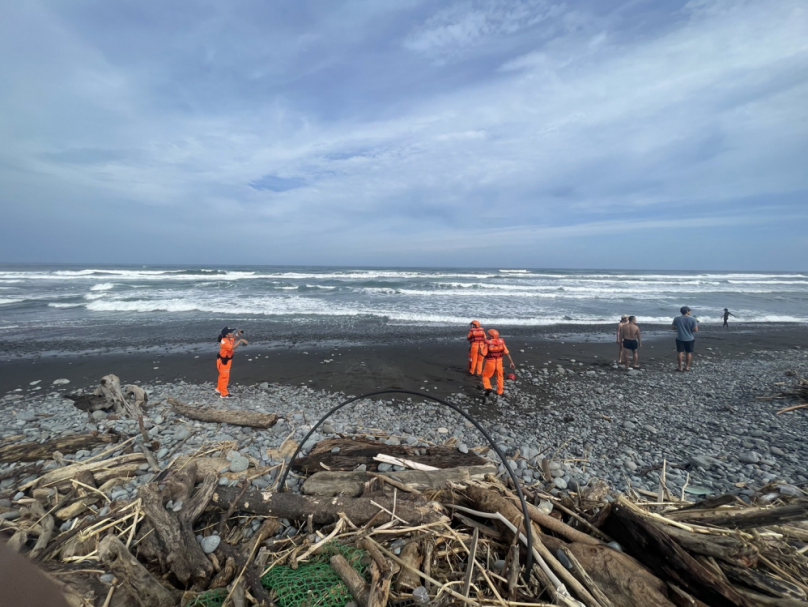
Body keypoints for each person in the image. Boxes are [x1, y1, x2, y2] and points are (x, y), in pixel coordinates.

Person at [481, 329, 516, 397]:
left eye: (488, 334)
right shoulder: (501, 343)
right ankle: (500, 391)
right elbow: (507, 353)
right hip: (499, 363)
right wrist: (511, 362)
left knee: (485, 376)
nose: (487, 335)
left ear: (491, 336)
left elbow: (483, 354)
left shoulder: (488, 344)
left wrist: (481, 349)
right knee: (500, 377)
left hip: (490, 363)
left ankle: (488, 387)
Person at [216, 327, 248, 398]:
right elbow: (232, 348)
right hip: (224, 361)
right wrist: (241, 341)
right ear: (226, 335)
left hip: (226, 360)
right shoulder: (224, 342)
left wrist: (238, 334)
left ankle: (219, 388)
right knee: (225, 377)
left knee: (222, 375)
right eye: (231, 332)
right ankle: (224, 394)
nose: (232, 333)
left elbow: (233, 339)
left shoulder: (228, 339)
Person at [672, 306, 698, 372]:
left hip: (680, 338)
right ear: (687, 312)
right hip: (689, 338)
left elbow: (673, 328)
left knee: (680, 352)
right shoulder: (692, 319)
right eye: (689, 311)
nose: (690, 312)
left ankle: (680, 367)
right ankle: (687, 367)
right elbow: (696, 330)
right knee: (688, 353)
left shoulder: (677, 318)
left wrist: (679, 329)